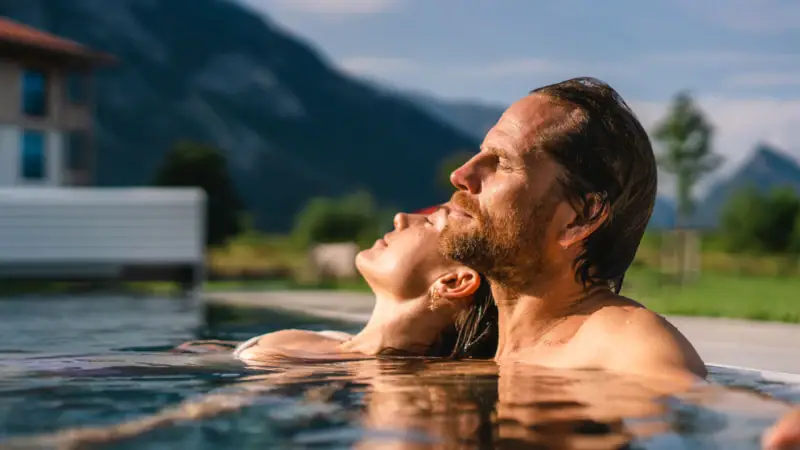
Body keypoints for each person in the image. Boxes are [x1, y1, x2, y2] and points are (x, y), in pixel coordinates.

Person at [434, 76, 703, 383]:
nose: (460, 174)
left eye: (503, 162)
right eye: (480, 152)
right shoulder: (487, 345)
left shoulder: (624, 346)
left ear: (581, 217)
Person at [182, 211, 499, 364]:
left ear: (453, 281)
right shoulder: (334, 341)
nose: (402, 218)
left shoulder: (338, 375)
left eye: (429, 223)